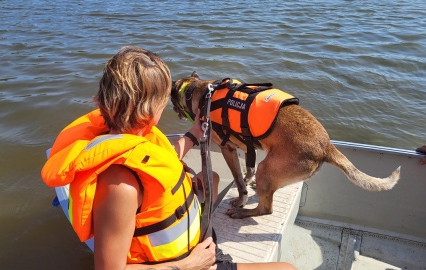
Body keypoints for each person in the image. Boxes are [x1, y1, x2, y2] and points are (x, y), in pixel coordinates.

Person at [42, 46, 296, 270]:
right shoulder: (120, 185)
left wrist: (195, 133)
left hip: (194, 249)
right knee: (288, 269)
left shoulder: (134, 135)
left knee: (212, 178)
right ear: (152, 108)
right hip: (182, 264)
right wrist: (188, 264)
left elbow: (165, 156)